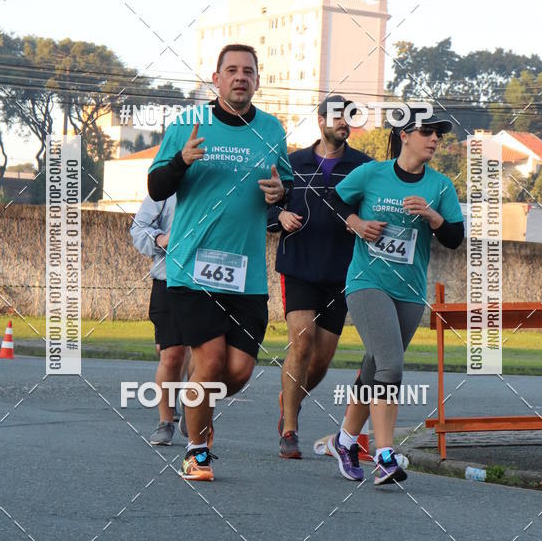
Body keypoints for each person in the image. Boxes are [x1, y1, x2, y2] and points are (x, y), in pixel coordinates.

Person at [147, 44, 294, 481]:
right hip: (192, 267)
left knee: (238, 372)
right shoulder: (188, 125)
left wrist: (278, 193)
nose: (240, 77)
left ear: (257, 80)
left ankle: (196, 401)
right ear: (216, 78)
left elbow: (281, 182)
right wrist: (181, 160)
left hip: (246, 273)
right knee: (209, 361)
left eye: (248, 71)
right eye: (231, 70)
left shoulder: (271, 128)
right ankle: (196, 452)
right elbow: (156, 187)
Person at [328, 106, 464, 485]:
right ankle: (385, 456)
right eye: (427, 131)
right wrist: (356, 223)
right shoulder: (372, 174)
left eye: (439, 133)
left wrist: (433, 218)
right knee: (391, 365)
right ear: (404, 134)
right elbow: (334, 200)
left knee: (375, 366)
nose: (435, 139)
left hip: (409, 290)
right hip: (366, 282)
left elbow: (454, 238)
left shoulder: (440, 186)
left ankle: (345, 440)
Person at [267, 95, 371, 459]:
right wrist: (278, 217)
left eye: (349, 119)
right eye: (338, 117)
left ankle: (289, 397)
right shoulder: (292, 163)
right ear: (321, 120)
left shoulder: (363, 168)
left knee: (321, 360)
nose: (344, 124)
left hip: (342, 273)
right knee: (302, 340)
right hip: (298, 267)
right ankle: (290, 429)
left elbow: (371, 207)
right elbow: (265, 205)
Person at [130, 194, 190, 445]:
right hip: (169, 280)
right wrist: (161, 238)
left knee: (204, 353)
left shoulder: (219, 182)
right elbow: (139, 229)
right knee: (171, 354)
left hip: (210, 281)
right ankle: (166, 422)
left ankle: (191, 404)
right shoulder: (166, 187)